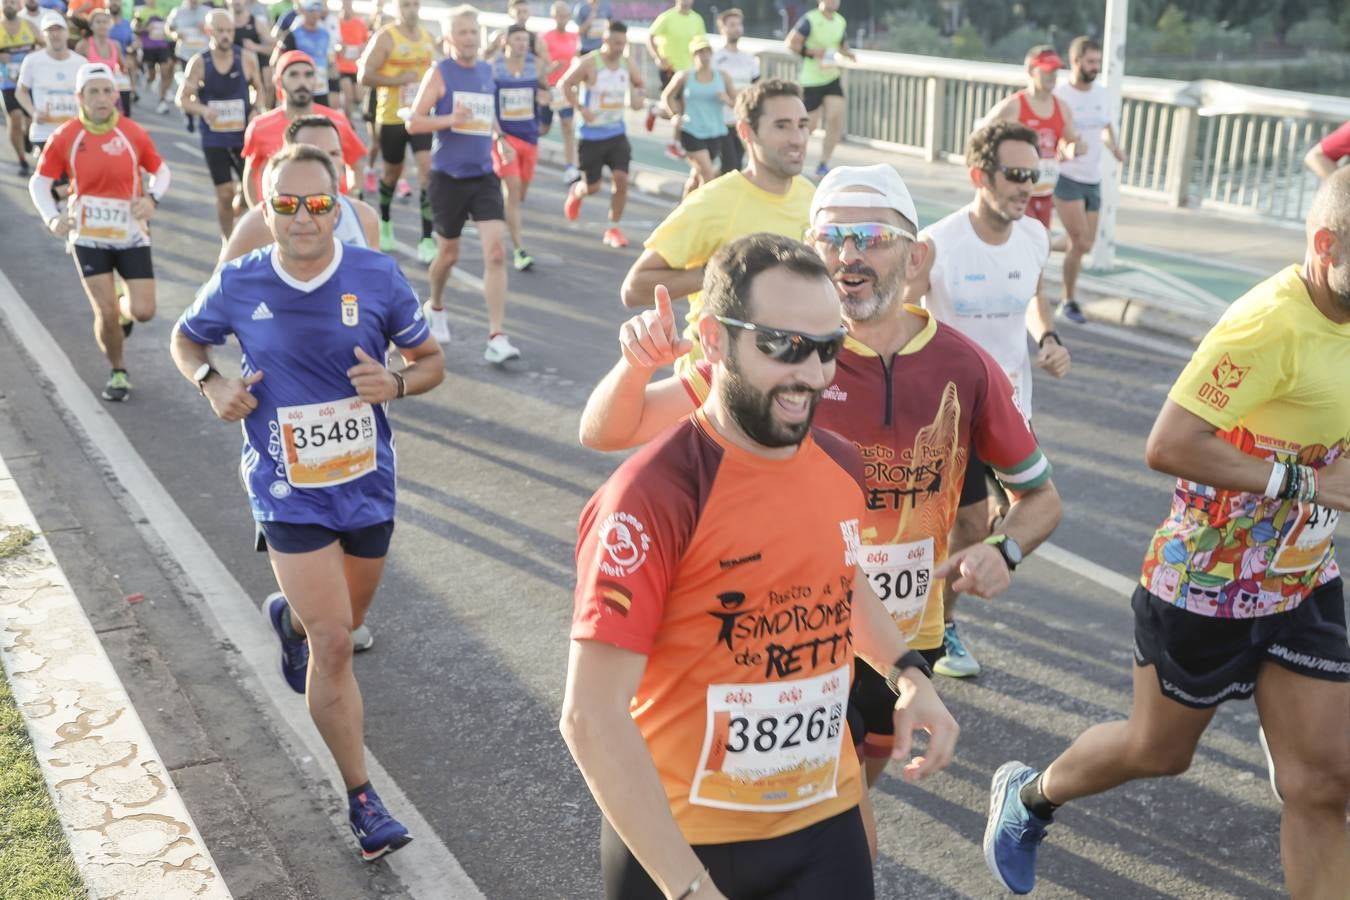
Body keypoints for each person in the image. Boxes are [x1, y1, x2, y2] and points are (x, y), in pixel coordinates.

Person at [583, 167, 1062, 856]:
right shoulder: (777, 354)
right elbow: (609, 431)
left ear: (916, 256)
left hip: (900, 631)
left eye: (870, 237)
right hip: (785, 632)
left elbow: (1040, 496)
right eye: (831, 238)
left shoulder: (964, 366)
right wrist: (635, 366)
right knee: (820, 831)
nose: (849, 256)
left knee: (845, 809)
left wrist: (1004, 548)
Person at [985, 166, 1350, 900]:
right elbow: (1169, 443)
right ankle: (1029, 797)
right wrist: (1306, 482)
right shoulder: (1266, 324)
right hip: (1204, 582)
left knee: (1322, 782)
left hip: (1301, 577)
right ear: (1324, 244)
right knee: (1158, 752)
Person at [564, 232, 960, 900]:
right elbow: (590, 716)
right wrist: (687, 887)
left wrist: (908, 675)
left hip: (821, 828)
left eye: (828, 348)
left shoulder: (840, 463)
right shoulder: (653, 495)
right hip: (685, 846)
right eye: (782, 345)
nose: (810, 374)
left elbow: (838, 580)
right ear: (714, 340)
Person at [171, 143, 443, 862]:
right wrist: (212, 383)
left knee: (345, 619)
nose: (301, 218)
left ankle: (286, 617)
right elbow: (185, 338)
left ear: (339, 205)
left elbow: (430, 360)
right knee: (336, 644)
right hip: (285, 490)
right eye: (285, 204)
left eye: (316, 203)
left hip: (365, 485)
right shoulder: (238, 280)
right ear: (265, 208)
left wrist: (401, 384)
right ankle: (362, 800)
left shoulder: (376, 276)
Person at [903, 119, 1070, 678]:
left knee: (1033, 509)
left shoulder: (1035, 236)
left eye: (1034, 175)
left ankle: (944, 601)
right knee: (971, 528)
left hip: (1012, 405)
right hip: (950, 415)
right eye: (1016, 175)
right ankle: (943, 628)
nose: (1027, 186)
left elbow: (1033, 298)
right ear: (980, 176)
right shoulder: (936, 245)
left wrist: (1046, 336)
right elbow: (902, 322)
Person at [620, 80, 810, 363]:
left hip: (784, 369)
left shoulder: (813, 196)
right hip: (710, 379)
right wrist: (721, 273)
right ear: (746, 132)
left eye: (802, 125)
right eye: (782, 126)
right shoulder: (713, 203)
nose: (797, 138)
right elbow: (634, 289)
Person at [27, 62, 167, 402]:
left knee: (143, 311)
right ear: (80, 97)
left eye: (108, 91)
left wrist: (152, 199)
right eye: (94, 92)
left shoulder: (132, 133)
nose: (103, 98)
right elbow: (40, 182)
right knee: (103, 312)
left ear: (116, 95)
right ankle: (118, 371)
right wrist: (52, 217)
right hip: (88, 235)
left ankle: (123, 307)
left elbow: (160, 172)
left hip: (131, 232)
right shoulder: (67, 136)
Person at [406, 4, 520, 364]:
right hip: (448, 178)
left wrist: (500, 137)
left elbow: (488, 114)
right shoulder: (440, 73)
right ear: (449, 38)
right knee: (448, 255)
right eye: (462, 32)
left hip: (483, 174)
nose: (469, 38)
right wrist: (449, 118)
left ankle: (497, 336)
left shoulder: (487, 71)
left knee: (496, 252)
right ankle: (435, 306)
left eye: (474, 32)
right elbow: (413, 122)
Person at [224, 113, 379, 260]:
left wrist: (355, 191)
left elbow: (377, 280)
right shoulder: (257, 225)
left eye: (334, 153)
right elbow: (221, 283)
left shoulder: (364, 217)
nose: (326, 162)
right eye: (313, 153)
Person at [1052, 36, 1123, 325]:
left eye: (1098, 62)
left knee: (1085, 245)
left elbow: (1105, 124)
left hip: (1093, 179)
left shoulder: (1101, 93)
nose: (1096, 67)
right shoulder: (1060, 96)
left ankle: (1039, 245)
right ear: (1076, 62)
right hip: (1067, 178)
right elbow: (1053, 138)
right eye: (1091, 62)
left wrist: (1114, 147)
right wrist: (1065, 150)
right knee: (1079, 240)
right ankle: (1068, 302)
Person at [178, 9, 266, 241]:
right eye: (221, 31)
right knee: (225, 193)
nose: (226, 35)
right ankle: (228, 242)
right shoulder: (200, 63)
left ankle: (243, 233)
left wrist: (256, 109)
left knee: (251, 193)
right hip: (214, 138)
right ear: (209, 31)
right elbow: (183, 99)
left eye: (229, 30)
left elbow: (260, 89)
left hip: (243, 137)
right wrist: (204, 109)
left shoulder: (246, 58)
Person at [357, 0, 435, 258]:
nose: (411, 10)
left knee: (427, 171)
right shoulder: (386, 37)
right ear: (397, 8)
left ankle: (426, 238)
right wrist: (395, 80)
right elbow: (364, 75)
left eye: (415, 4)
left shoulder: (427, 38)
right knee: (392, 173)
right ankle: (386, 221)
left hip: (420, 117)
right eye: (405, 5)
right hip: (391, 118)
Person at [241, 49, 366, 205]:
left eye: (308, 75)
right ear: (279, 81)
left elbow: (355, 166)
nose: (302, 82)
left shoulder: (337, 122)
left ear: (316, 81)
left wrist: (351, 201)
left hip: (330, 213)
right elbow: (251, 173)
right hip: (284, 213)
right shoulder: (260, 126)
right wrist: (259, 212)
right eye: (294, 75)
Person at [560, 18, 644, 249]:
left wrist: (638, 97)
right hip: (591, 136)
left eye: (623, 43)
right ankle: (577, 192)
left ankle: (613, 228)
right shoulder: (590, 63)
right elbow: (565, 84)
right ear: (605, 40)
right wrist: (580, 108)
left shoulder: (627, 64)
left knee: (621, 179)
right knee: (593, 187)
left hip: (617, 134)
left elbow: (639, 83)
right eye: (616, 43)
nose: (620, 48)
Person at [984, 45, 1084, 232]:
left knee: (1039, 249)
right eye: (1047, 71)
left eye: (1055, 71)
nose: (1052, 76)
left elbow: (1071, 142)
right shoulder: (1014, 106)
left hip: (1045, 192)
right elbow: (981, 137)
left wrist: (1074, 149)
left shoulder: (1062, 108)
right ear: (1031, 70)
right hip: (1017, 191)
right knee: (1023, 246)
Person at [492, 23, 547, 272]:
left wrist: (546, 102)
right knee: (512, 192)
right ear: (507, 41)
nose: (522, 44)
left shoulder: (535, 65)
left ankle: (499, 208)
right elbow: (488, 103)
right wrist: (498, 137)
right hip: (506, 138)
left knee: (520, 194)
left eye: (526, 40)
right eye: (517, 39)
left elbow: (545, 93)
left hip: (530, 138)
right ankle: (518, 250)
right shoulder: (495, 67)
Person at [786, 0, 853, 178]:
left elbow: (840, 45)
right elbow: (792, 43)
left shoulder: (840, 21)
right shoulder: (810, 19)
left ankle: (823, 164)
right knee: (810, 125)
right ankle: (793, 159)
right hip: (811, 80)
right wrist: (813, 52)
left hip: (831, 76)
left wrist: (848, 53)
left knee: (835, 119)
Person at [659, 34, 730, 197]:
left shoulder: (722, 76)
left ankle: (682, 212)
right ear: (693, 55)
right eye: (700, 52)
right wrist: (674, 115)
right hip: (691, 131)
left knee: (696, 178)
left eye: (707, 52)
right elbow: (666, 96)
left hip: (714, 132)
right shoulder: (684, 76)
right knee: (708, 176)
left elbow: (735, 101)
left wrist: (726, 99)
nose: (704, 56)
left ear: (712, 54)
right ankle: (703, 219)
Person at [15, 12, 84, 153]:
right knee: (51, 175)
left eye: (59, 29)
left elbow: (89, 95)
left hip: (74, 132)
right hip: (44, 133)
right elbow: (20, 92)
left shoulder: (81, 63)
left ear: (67, 33)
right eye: (50, 30)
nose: (55, 34)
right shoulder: (32, 61)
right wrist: (33, 112)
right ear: (43, 35)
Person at [644, 0, 703, 160]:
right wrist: (658, 57)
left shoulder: (697, 19)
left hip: (688, 70)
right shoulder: (667, 17)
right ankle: (674, 143)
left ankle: (657, 112)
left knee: (684, 109)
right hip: (670, 68)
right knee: (677, 107)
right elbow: (650, 36)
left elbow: (701, 44)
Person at [710, 8, 755, 175]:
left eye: (739, 24)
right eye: (732, 25)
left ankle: (703, 188)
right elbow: (714, 90)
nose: (737, 28)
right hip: (722, 122)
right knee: (731, 165)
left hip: (743, 120)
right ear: (723, 29)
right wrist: (730, 102)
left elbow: (756, 88)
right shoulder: (715, 59)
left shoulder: (749, 59)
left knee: (734, 165)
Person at [538, 0, 576, 182]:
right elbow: (539, 68)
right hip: (548, 88)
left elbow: (575, 62)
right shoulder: (545, 37)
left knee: (567, 126)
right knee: (543, 128)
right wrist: (552, 68)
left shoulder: (573, 37)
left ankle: (570, 168)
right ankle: (523, 143)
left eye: (566, 15)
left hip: (565, 88)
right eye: (560, 15)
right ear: (553, 16)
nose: (563, 19)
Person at [273, 0, 335, 108]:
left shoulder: (326, 35)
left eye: (317, 11)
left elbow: (331, 60)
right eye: (311, 11)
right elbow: (277, 60)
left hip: (320, 87)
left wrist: (335, 83)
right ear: (304, 12)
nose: (315, 14)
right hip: (299, 88)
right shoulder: (292, 35)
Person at [1, 0, 39, 174]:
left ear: (19, 5)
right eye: (5, 2)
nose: (9, 5)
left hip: (29, 82)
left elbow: (45, 45)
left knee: (30, 120)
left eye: (12, 2)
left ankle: (27, 138)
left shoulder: (29, 26)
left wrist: (34, 53)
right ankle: (22, 160)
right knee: (15, 119)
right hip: (6, 82)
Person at [74, 8, 130, 116]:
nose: (102, 25)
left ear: (111, 25)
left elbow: (124, 68)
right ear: (91, 26)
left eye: (105, 22)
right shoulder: (83, 45)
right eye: (98, 22)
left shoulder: (115, 45)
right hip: (90, 93)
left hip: (109, 92)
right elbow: (75, 70)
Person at [166, 0, 210, 129]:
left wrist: (206, 30)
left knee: (201, 87)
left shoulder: (207, 12)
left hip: (203, 56)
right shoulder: (178, 12)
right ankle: (187, 113)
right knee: (189, 85)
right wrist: (175, 35)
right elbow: (168, 29)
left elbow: (216, 31)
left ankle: (199, 111)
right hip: (186, 54)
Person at [131, 0, 172, 113]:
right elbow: (135, 29)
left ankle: (162, 100)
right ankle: (148, 80)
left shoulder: (161, 11)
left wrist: (167, 32)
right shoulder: (141, 12)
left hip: (162, 46)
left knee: (165, 71)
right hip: (149, 48)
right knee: (152, 75)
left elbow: (168, 27)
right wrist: (146, 29)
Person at [333, 0, 366, 123]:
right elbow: (333, 43)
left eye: (349, 4)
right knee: (349, 96)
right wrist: (339, 48)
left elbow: (366, 41)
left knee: (358, 96)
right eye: (344, 4)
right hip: (342, 67)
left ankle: (351, 117)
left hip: (357, 67)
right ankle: (349, 122)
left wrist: (361, 48)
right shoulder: (335, 23)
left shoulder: (360, 23)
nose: (347, 7)